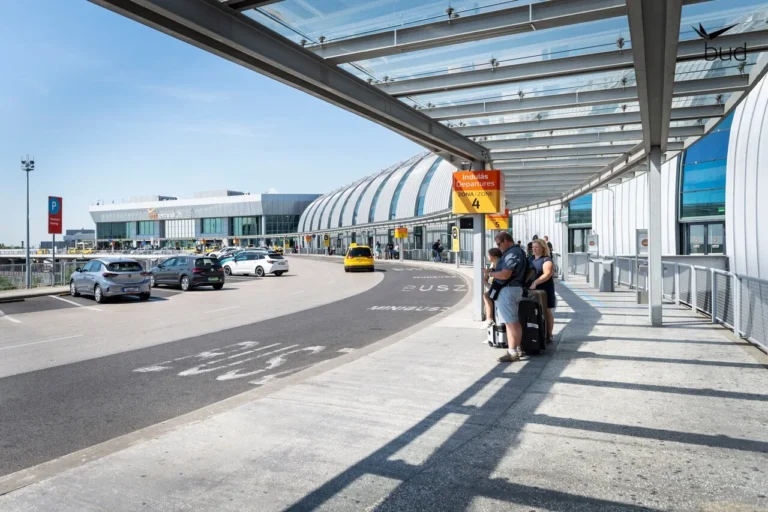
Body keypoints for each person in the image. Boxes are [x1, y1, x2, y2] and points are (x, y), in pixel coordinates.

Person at [483, 231, 526, 363]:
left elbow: (505, 274)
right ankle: (517, 348)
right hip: (515, 288)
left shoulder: (511, 253)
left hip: (508, 290)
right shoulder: (519, 251)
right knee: (515, 321)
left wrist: (491, 274)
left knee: (510, 322)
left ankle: (512, 352)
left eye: (499, 244)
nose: (498, 247)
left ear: (505, 241)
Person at [529, 238, 556, 343]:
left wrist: (536, 282)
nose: (534, 249)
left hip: (545, 289)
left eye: (537, 247)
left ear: (543, 248)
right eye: (533, 247)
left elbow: (547, 274)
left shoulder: (546, 260)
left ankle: (549, 334)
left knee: (547, 311)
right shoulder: (530, 259)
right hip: (531, 289)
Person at [483, 247, 503, 328]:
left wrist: (489, 273)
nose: (487, 257)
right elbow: (485, 280)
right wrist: (487, 273)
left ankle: (489, 319)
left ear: (494, 256)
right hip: (495, 287)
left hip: (499, 288)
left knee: (486, 295)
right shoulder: (492, 266)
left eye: (489, 255)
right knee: (487, 295)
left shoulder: (499, 265)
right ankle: (489, 318)